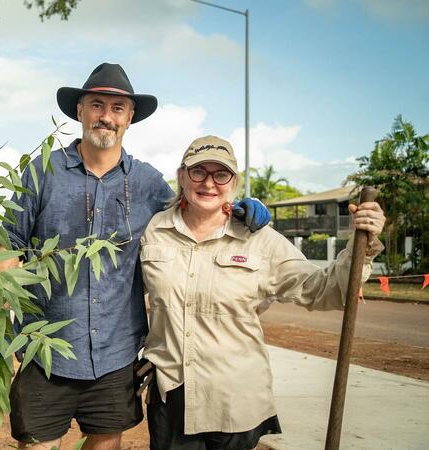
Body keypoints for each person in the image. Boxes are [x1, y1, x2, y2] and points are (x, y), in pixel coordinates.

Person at [0, 63, 271, 450]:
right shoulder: (43, 172)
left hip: (116, 353)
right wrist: (8, 315)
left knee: (107, 443)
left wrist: (237, 206)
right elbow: (7, 239)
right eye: (96, 105)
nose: (106, 116)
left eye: (117, 108)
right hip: (45, 350)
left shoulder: (148, 184)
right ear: (79, 111)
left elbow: (194, 213)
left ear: (129, 119)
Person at [139, 135, 385, 450]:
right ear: (182, 176)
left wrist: (361, 245)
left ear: (234, 182)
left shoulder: (260, 240)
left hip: (236, 399)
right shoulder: (155, 231)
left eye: (221, 174)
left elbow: (322, 290)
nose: (209, 183)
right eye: (199, 171)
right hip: (170, 396)